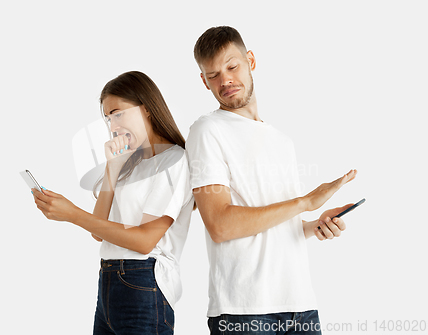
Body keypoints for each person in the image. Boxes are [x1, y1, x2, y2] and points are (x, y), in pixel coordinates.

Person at [186, 26, 358, 335]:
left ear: (250, 60)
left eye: (232, 66)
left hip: (301, 305)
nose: (224, 80)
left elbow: (275, 225)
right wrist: (304, 202)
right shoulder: (207, 131)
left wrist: (313, 225)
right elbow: (220, 225)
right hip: (244, 312)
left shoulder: (282, 141)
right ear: (203, 81)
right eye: (212, 75)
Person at [32, 71, 194, 334]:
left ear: (147, 109)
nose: (113, 126)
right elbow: (99, 232)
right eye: (108, 118)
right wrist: (113, 168)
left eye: (118, 113)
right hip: (109, 281)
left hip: (143, 281)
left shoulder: (174, 160)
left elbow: (144, 241)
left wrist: (73, 214)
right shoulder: (131, 163)